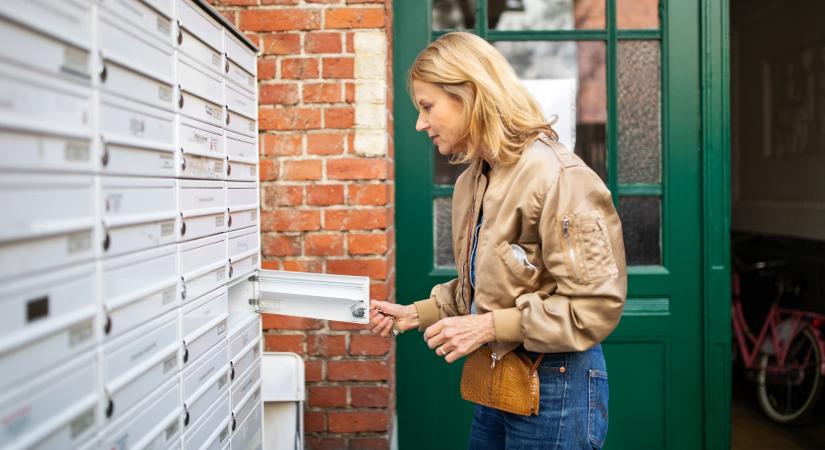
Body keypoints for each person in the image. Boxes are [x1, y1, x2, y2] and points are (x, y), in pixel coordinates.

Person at [369, 32, 627, 449]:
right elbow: (490, 281)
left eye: (427, 106)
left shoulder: (558, 176)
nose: (420, 123)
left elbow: (595, 307)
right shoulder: (474, 180)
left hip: (557, 386)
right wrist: (415, 313)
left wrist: (487, 326)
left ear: (468, 93)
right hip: (500, 381)